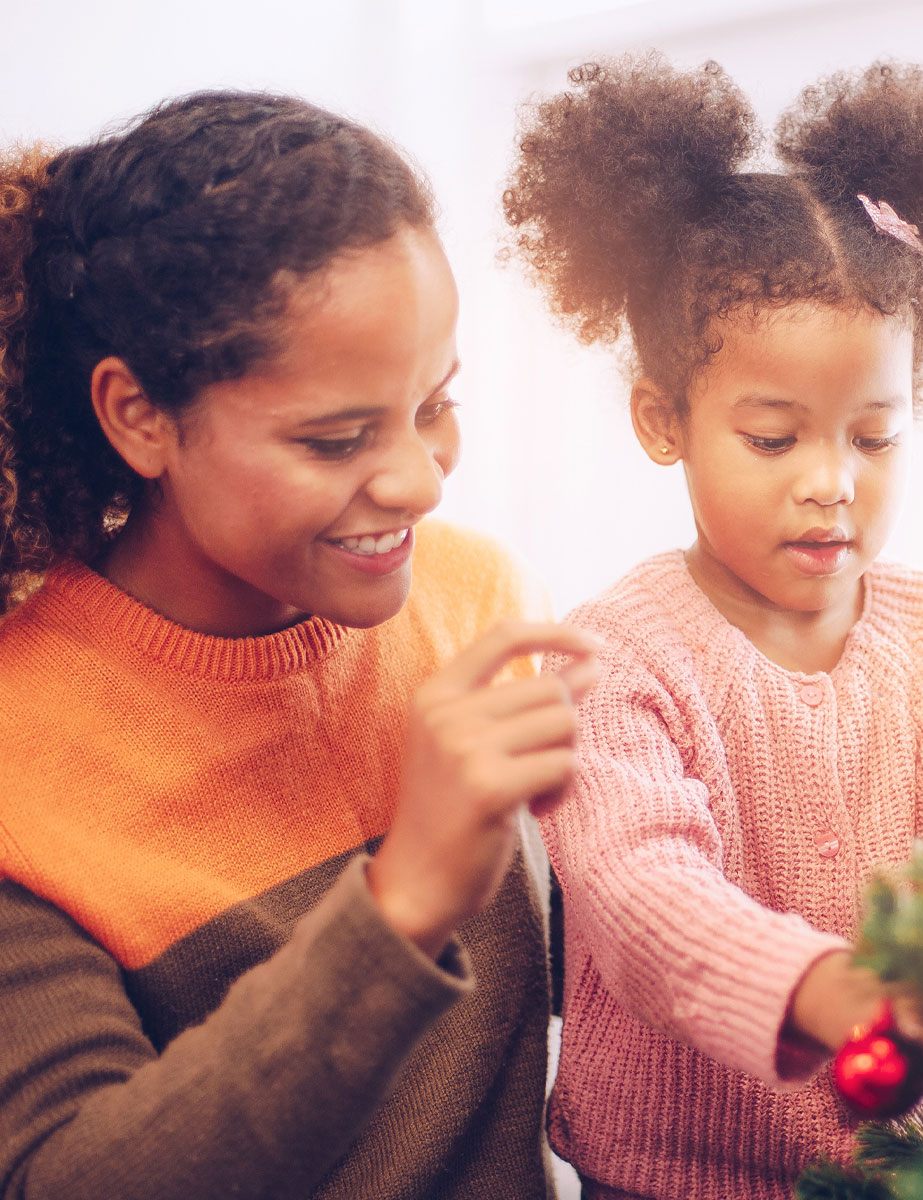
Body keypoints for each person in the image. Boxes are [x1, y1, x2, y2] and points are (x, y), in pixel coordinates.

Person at [0, 91, 594, 1199]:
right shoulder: (19, 773)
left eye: (436, 404)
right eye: (335, 438)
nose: (420, 480)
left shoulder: (477, 601)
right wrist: (402, 900)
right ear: (138, 417)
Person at [504, 54, 923, 1199]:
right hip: (658, 1182)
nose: (831, 484)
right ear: (666, 420)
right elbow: (641, 893)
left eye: (873, 435)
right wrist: (827, 991)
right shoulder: (612, 658)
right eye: (774, 438)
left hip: (903, 1172)